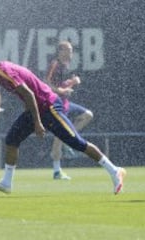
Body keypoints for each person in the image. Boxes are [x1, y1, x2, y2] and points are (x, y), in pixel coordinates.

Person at [0, 51, 126, 194]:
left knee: (76, 142)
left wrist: (37, 122)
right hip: (37, 107)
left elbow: (29, 94)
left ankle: (114, 170)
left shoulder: (3, 72)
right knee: (12, 139)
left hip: (49, 106)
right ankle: (6, 183)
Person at [46, 41, 93, 180]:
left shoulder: (65, 65)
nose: (70, 53)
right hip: (56, 104)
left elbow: (61, 84)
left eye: (71, 50)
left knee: (88, 115)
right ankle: (56, 171)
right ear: (60, 51)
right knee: (58, 137)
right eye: (68, 50)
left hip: (65, 103)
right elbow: (46, 82)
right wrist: (62, 89)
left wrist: (72, 82)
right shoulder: (55, 63)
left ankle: (68, 139)